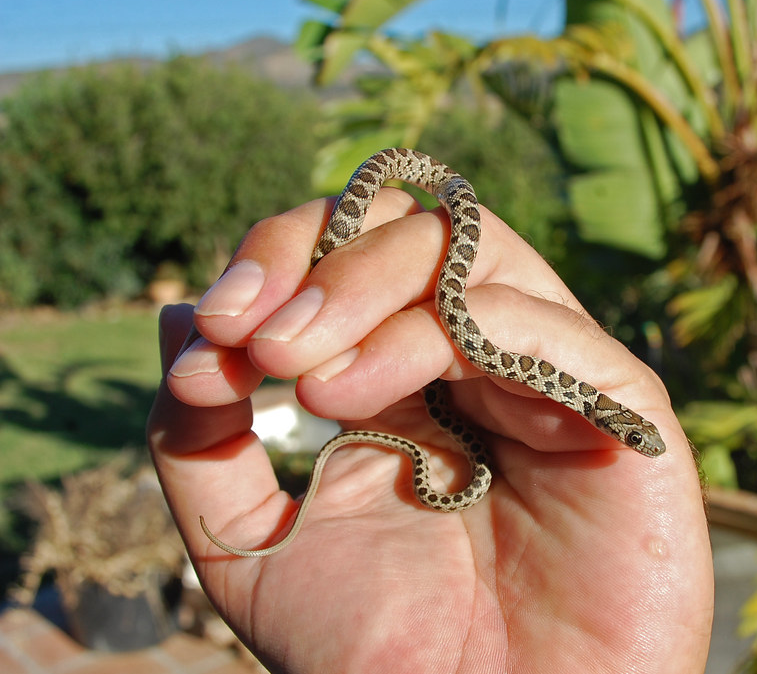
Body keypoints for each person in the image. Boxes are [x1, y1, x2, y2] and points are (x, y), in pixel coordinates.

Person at [147, 185, 714, 673]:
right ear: (613, 416)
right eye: (636, 438)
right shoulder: (560, 408)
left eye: (636, 440)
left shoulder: (581, 428)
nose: (639, 449)